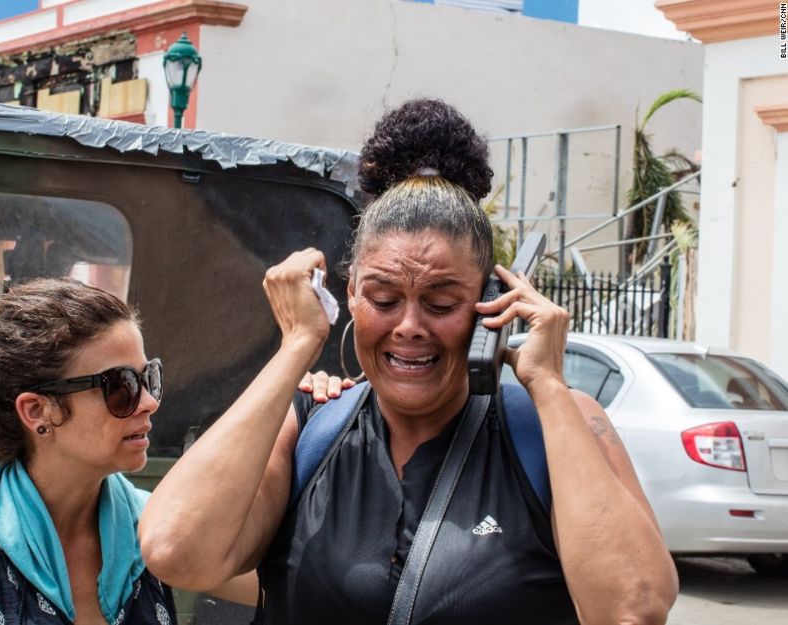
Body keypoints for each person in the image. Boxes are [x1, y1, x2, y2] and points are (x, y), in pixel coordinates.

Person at [138, 99, 679, 624]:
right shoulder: (310, 427)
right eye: (383, 298)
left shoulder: (556, 429)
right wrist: (296, 345)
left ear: (493, 296)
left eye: (441, 303)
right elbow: (175, 550)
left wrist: (548, 385)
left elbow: (631, 610)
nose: (409, 326)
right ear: (349, 295)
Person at [0, 278, 340, 625]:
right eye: (120, 386)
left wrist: (303, 414)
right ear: (38, 412)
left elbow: (314, 595)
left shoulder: (156, 533)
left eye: (149, 377)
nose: (149, 401)